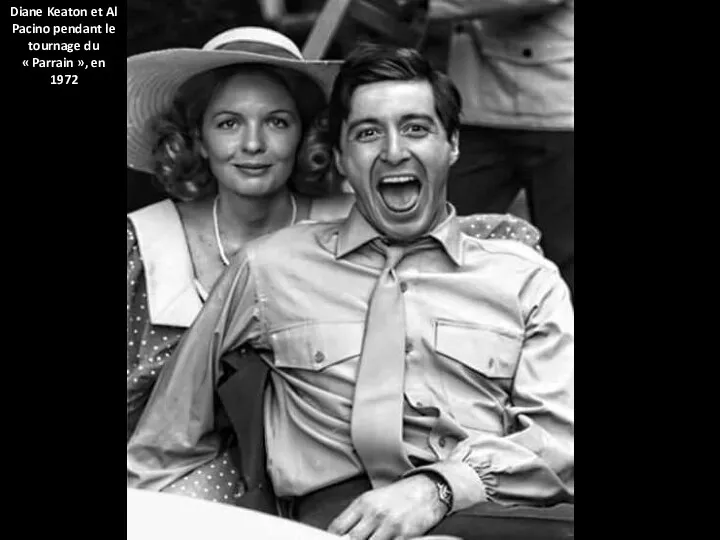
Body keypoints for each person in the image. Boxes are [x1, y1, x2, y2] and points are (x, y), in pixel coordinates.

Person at [128, 43, 573, 539]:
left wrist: (439, 488)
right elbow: (164, 442)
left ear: (452, 145)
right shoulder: (269, 267)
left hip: (497, 516)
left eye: (416, 128)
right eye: (367, 133)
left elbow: (561, 438)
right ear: (341, 157)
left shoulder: (524, 277)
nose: (394, 151)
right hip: (336, 523)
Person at [126, 26, 354, 502]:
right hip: (172, 479)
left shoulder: (352, 228)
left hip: (337, 471)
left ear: (306, 136)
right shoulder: (142, 243)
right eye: (229, 123)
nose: (253, 144)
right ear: (199, 140)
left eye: (277, 122)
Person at [430, 0, 575, 302]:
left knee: (569, 257)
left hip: (560, 109)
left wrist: (417, 4)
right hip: (475, 108)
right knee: (443, 244)